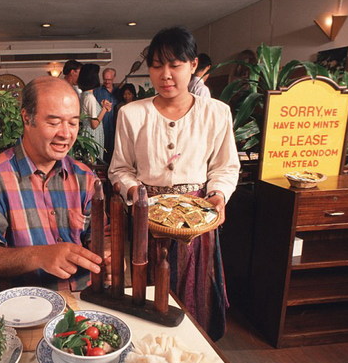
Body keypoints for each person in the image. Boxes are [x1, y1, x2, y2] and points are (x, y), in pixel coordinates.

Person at [108, 26, 240, 340]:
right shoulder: (131, 113)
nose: (165, 74)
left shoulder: (216, 112)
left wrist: (218, 196)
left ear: (193, 65)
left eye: (175, 65)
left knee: (194, 289)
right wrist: (138, 195)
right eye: (156, 66)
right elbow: (119, 170)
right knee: (147, 290)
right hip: (146, 216)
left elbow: (225, 167)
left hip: (196, 218)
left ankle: (194, 346)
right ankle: (147, 351)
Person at [0, 76, 105, 291]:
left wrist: (106, 253)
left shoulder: (85, 178)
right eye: (54, 122)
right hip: (22, 307)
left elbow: (102, 234)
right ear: (27, 118)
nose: (66, 134)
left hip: (83, 302)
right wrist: (39, 255)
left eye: (73, 123)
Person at [79, 63, 111, 160]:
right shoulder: (90, 97)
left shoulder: (84, 95)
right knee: (94, 163)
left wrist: (101, 107)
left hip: (87, 134)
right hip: (92, 135)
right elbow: (94, 124)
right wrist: (104, 109)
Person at [93, 67, 118, 163]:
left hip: (115, 129)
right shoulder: (97, 92)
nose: (107, 82)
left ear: (114, 78)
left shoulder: (118, 92)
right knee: (101, 157)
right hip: (101, 129)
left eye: (109, 79)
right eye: (105, 79)